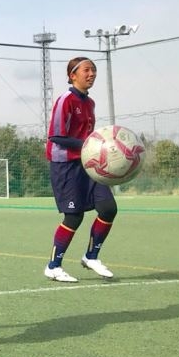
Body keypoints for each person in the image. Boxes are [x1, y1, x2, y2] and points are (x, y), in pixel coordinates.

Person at [43, 57, 117, 282]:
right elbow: (56, 136)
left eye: (94, 70)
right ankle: (53, 266)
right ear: (72, 75)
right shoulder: (65, 100)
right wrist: (90, 145)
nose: (92, 74)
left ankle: (91, 256)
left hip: (88, 163)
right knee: (73, 217)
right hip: (65, 164)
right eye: (87, 70)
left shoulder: (90, 103)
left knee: (108, 208)